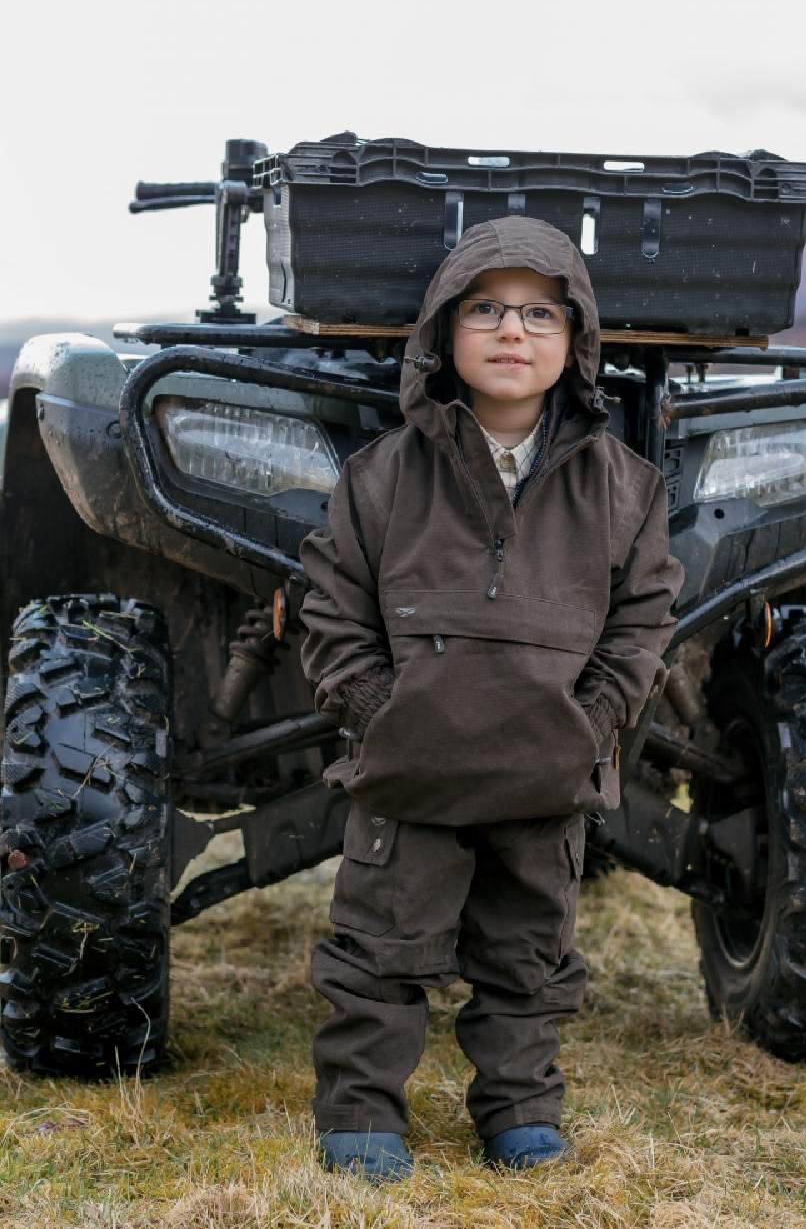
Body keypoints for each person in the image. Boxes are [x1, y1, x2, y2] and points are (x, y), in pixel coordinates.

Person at [298, 215, 684, 1182]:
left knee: (529, 959)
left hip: (545, 777)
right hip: (409, 772)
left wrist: (586, 726)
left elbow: (643, 628)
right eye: (486, 310)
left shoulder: (628, 489)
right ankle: (362, 1116)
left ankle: (518, 1111)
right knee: (379, 952)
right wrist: (388, 714)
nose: (513, 333)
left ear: (577, 341)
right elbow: (333, 613)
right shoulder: (379, 477)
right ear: (443, 333)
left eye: (541, 314)